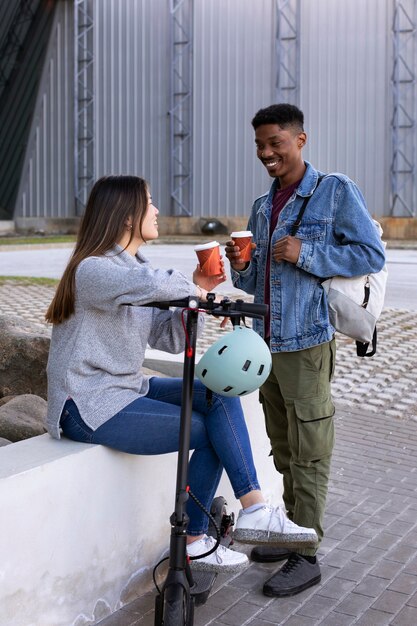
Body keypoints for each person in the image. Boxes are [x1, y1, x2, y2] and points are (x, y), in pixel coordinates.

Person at [45, 174, 318, 575]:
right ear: (126, 217)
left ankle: (255, 510)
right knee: (210, 432)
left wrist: (198, 291)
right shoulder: (94, 269)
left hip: (125, 389)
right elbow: (153, 283)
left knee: (218, 391)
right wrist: (196, 293)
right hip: (87, 403)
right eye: (150, 202)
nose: (157, 210)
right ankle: (193, 538)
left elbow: (170, 338)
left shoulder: (135, 269)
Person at [225, 104, 386, 594]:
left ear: (300, 140)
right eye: (259, 145)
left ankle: (308, 552)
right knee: (283, 446)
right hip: (265, 343)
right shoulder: (261, 204)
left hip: (308, 343)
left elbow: (370, 254)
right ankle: (293, 531)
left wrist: (306, 252)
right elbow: (252, 279)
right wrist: (240, 263)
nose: (266, 153)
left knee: (311, 449)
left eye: (275, 142)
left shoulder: (334, 190)